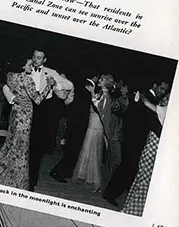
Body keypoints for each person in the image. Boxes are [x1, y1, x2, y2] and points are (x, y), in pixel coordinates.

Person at [0, 60, 56, 189]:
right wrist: (48, 85)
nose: (31, 67)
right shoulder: (28, 80)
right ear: (22, 66)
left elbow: (6, 87)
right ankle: (15, 179)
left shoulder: (10, 76)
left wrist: (14, 98)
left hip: (15, 112)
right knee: (21, 147)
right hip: (25, 115)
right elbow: (38, 100)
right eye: (29, 65)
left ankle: (1, 170)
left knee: (11, 143)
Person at [27, 49, 74, 190]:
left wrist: (55, 84)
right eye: (34, 56)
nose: (36, 60)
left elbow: (69, 85)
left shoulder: (50, 71)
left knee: (35, 149)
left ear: (45, 60)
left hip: (41, 112)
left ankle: (31, 182)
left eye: (39, 58)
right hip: (24, 109)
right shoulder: (26, 69)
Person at [122, 81, 170, 216]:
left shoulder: (167, 112)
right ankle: (131, 208)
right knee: (142, 176)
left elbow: (150, 107)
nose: (164, 97)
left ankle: (132, 211)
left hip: (153, 147)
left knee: (144, 178)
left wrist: (143, 98)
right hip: (149, 145)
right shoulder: (163, 108)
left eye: (167, 96)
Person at [73, 74, 113, 192]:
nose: (99, 80)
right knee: (88, 149)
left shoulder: (106, 95)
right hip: (93, 122)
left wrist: (91, 93)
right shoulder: (102, 93)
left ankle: (96, 183)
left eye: (102, 80)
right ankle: (84, 175)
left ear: (106, 83)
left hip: (97, 125)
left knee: (94, 152)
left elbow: (99, 108)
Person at [49, 76, 92, 182]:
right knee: (72, 151)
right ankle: (59, 173)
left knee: (71, 151)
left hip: (73, 124)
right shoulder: (86, 93)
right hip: (78, 126)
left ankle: (63, 172)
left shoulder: (76, 90)